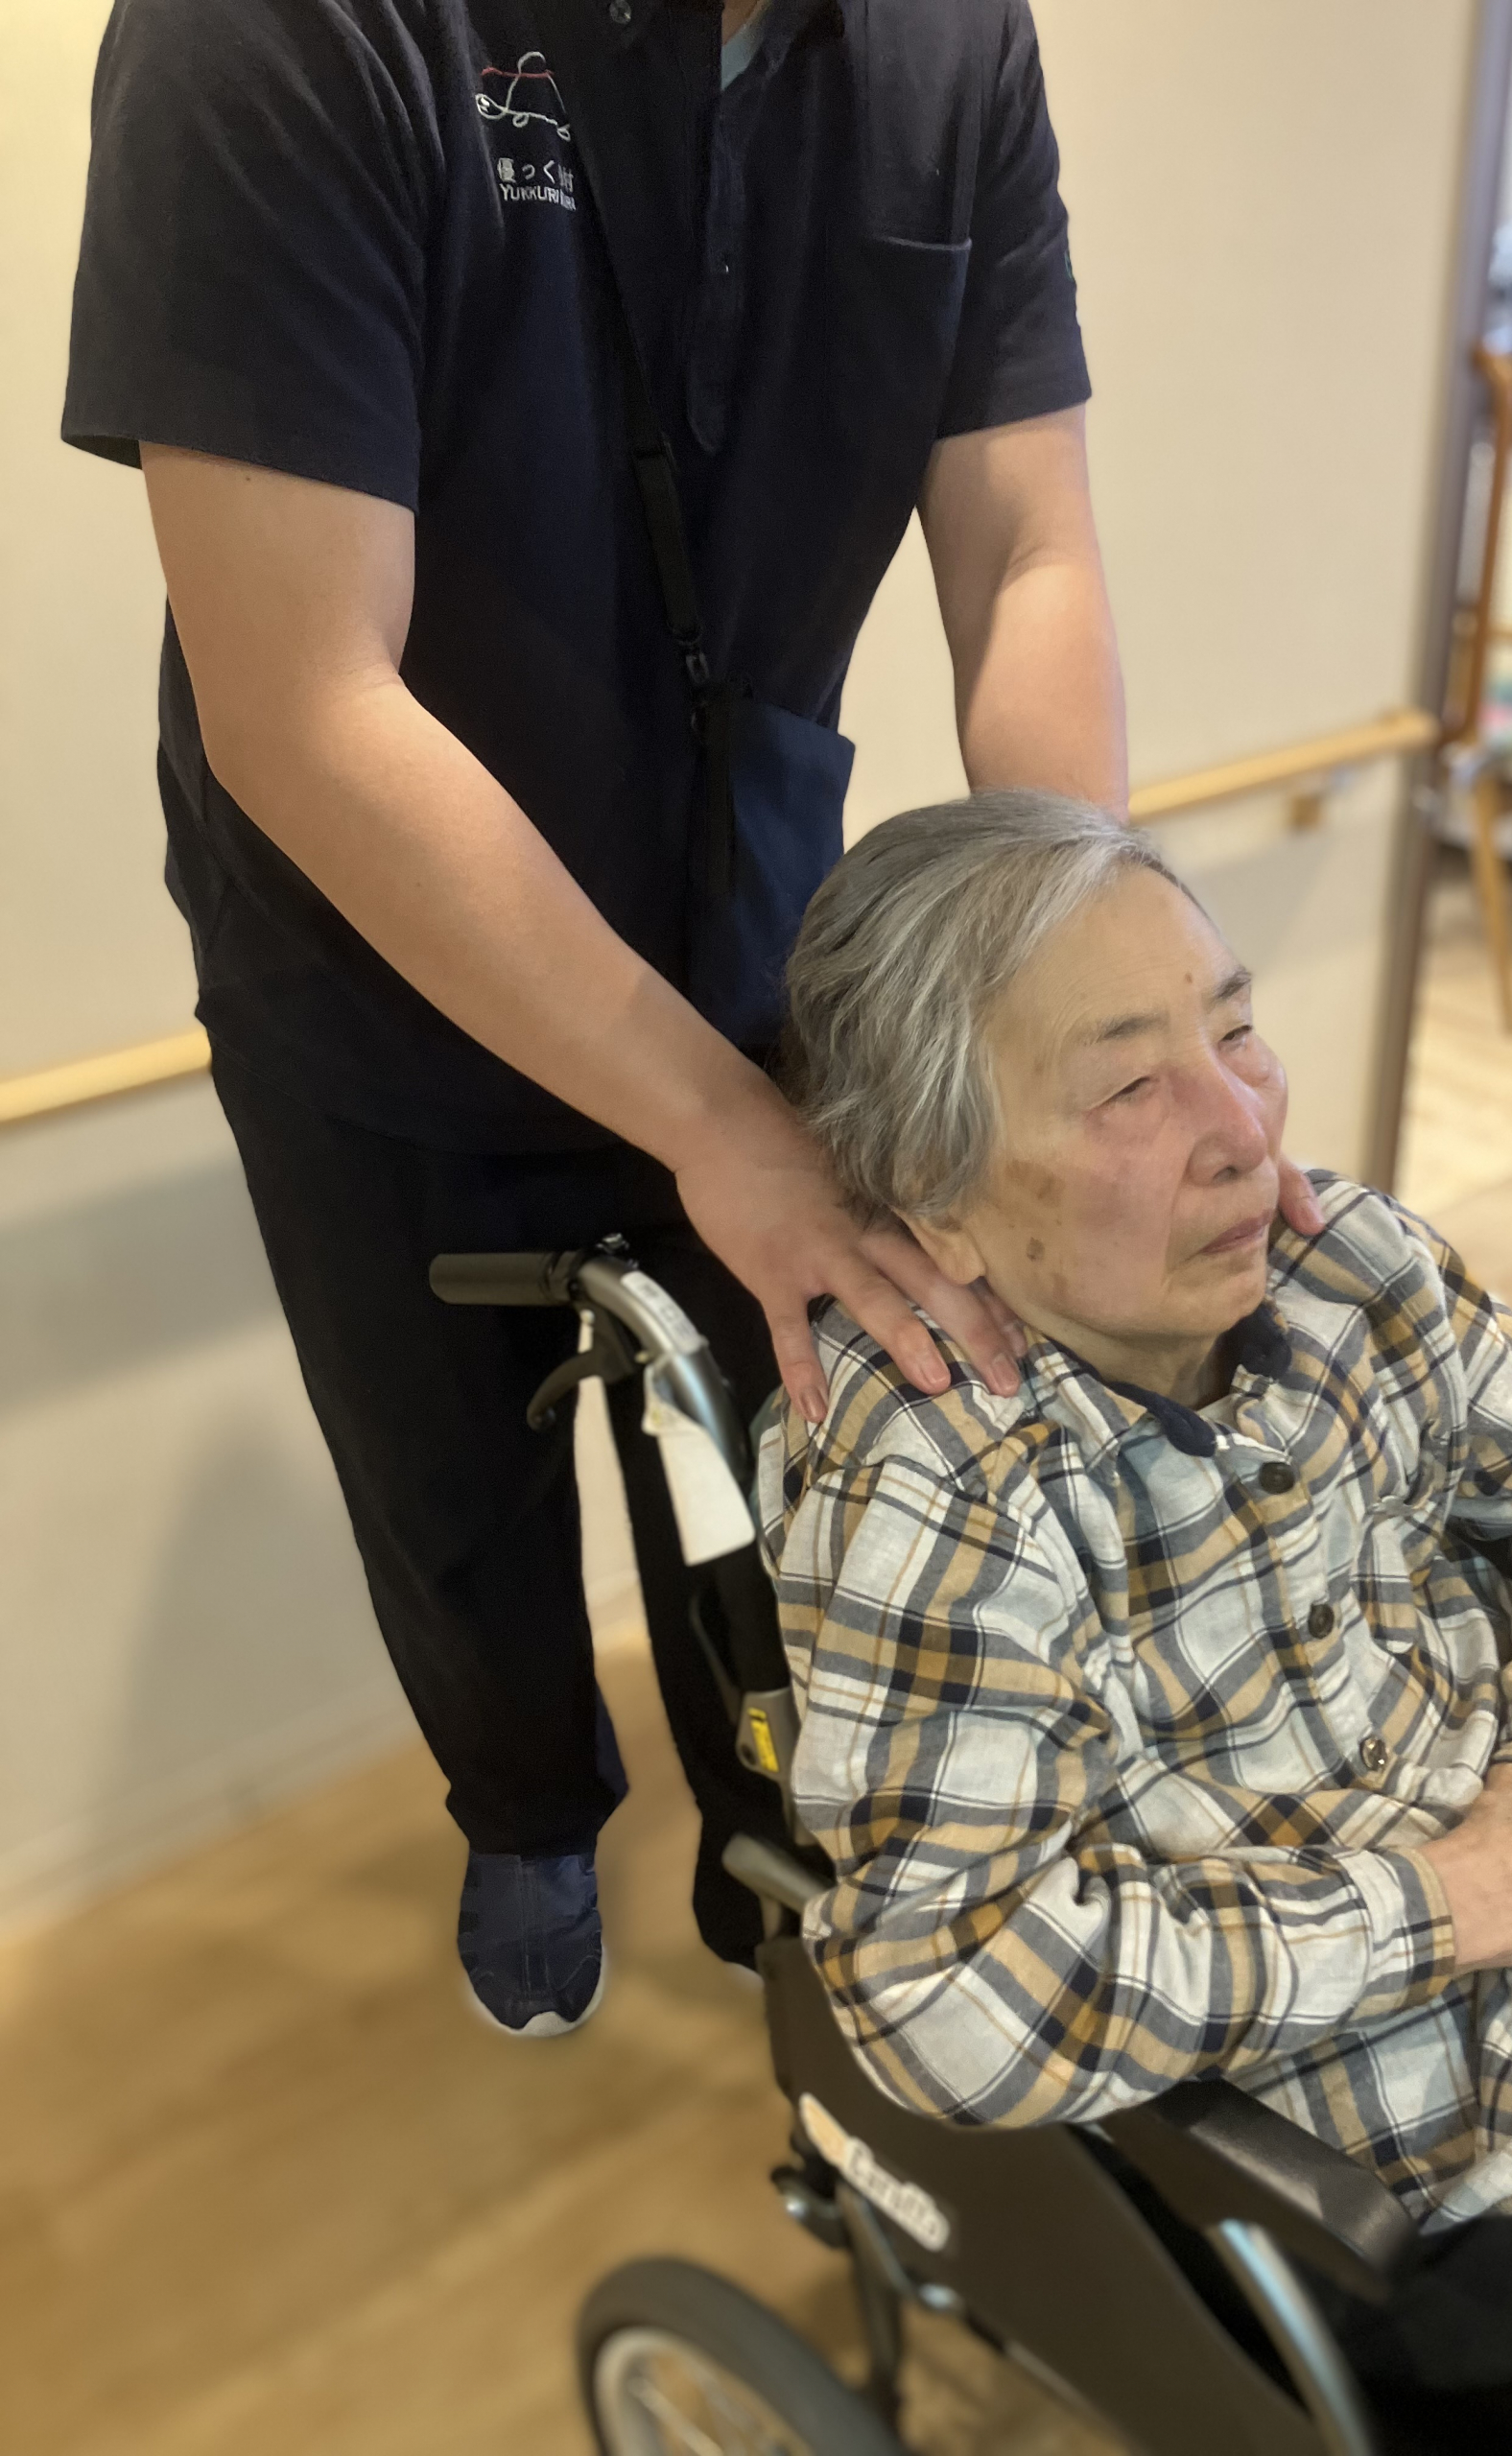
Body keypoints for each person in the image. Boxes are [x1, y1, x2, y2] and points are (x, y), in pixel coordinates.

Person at [61, 0, 1327, 2033]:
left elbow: (1024, 548)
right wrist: (721, 1133)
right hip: (370, 966)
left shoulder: (944, 49)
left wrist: (1099, 1019)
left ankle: (788, 1835)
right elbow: (302, 702)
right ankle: (527, 1809)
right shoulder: (285, 32)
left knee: (797, 1419)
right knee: (448, 1483)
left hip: (753, 935)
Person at [761, 791, 1512, 2452]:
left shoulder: (1341, 1267)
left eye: (1236, 1028)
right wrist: (1470, 1905)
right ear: (936, 1194)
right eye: (1129, 1086)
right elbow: (951, 1985)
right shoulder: (944, 1497)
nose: (1244, 1131)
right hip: (1374, 2163)